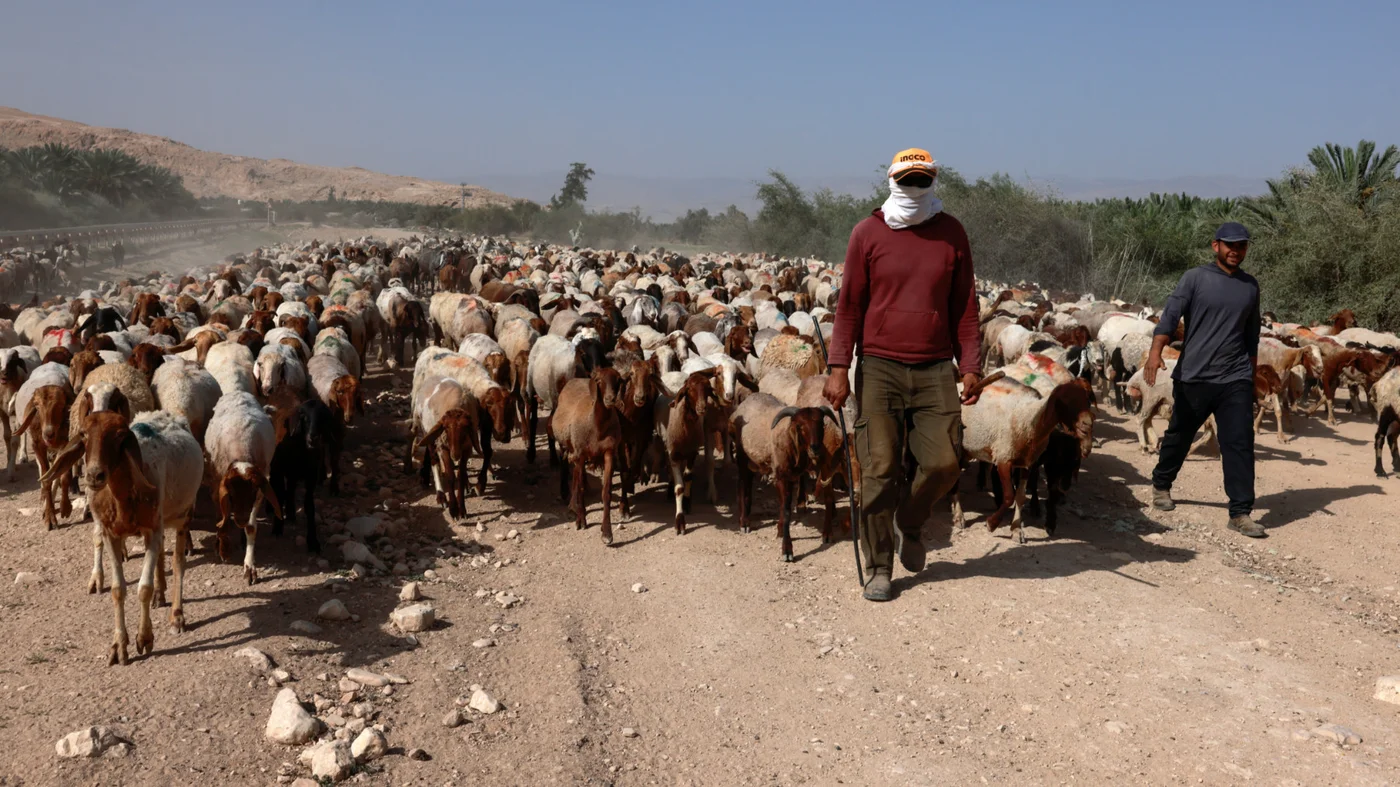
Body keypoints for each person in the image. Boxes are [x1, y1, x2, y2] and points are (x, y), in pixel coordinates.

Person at [823, 148, 982, 602]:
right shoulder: (867, 233)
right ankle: (878, 566)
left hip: (935, 367)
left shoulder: (951, 233)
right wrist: (839, 367)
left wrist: (971, 364)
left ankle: (909, 521)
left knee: (944, 462)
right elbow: (849, 305)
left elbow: (964, 306)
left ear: (932, 182)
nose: (914, 187)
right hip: (879, 366)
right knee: (879, 469)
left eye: (922, 179)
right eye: (907, 179)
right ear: (893, 180)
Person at [1143, 222, 1263, 537]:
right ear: (1216, 246)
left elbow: (1252, 336)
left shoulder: (1250, 286)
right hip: (1195, 375)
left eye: (1241, 246)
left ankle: (1240, 512)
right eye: (1230, 245)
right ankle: (1161, 483)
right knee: (1180, 435)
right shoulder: (1195, 278)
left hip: (1235, 377)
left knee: (1239, 443)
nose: (1235, 251)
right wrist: (1155, 353)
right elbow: (1170, 317)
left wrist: (1250, 379)